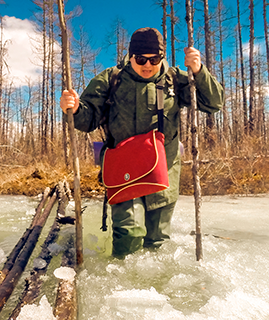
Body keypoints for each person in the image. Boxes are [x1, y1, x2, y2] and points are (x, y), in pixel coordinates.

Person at [59, 27, 224, 258]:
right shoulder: (111, 79)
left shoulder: (175, 80)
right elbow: (88, 119)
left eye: (154, 59)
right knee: (130, 233)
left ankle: (153, 289)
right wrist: (75, 109)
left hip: (163, 172)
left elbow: (213, 103)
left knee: (156, 244)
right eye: (141, 59)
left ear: (162, 57)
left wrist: (198, 72)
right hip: (124, 171)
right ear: (130, 56)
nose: (147, 65)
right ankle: (120, 285)